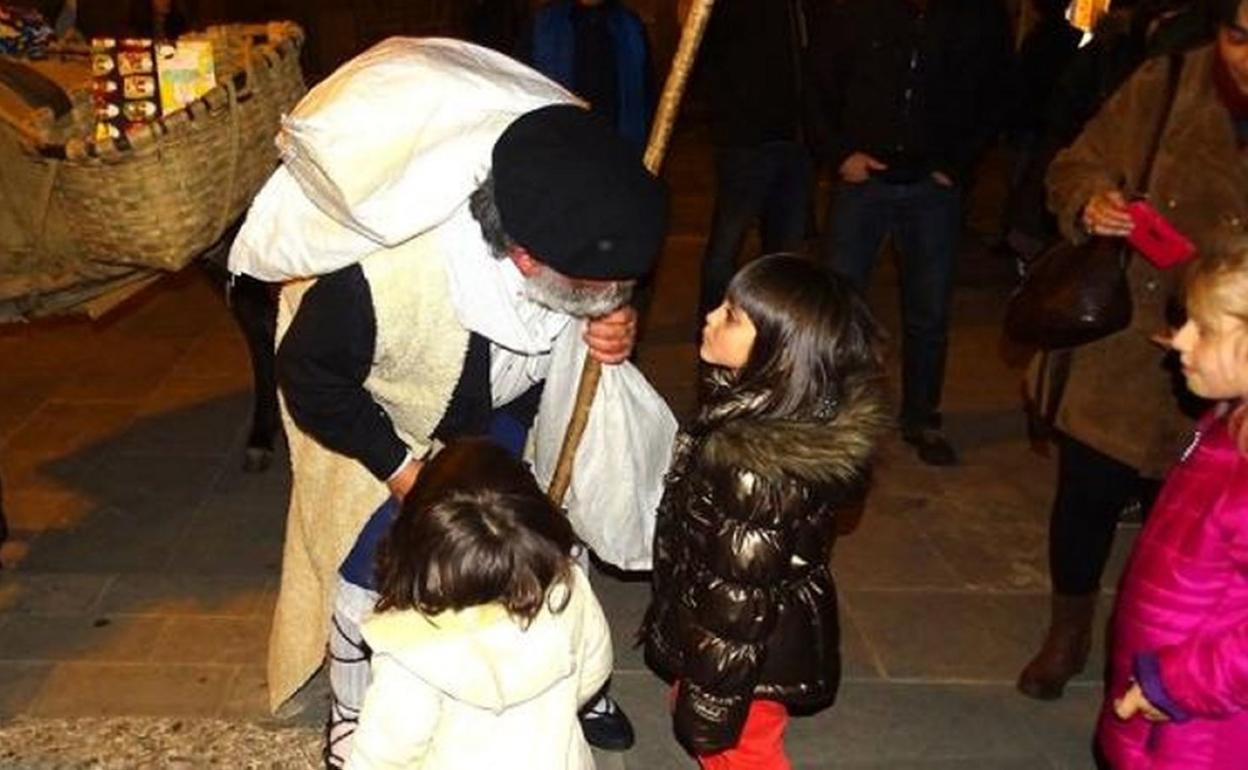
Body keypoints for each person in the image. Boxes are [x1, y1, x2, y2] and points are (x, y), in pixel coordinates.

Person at [260, 103, 666, 763]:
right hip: (396, 420)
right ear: (528, 256)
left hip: (508, 415)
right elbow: (307, 374)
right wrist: (400, 469)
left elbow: (603, 292)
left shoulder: (567, 234)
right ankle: (354, 707)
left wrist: (615, 325)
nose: (617, 291)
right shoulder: (382, 278)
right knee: (380, 565)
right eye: (599, 285)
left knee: (548, 540)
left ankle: (568, 679)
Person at [1017, 0, 1248, 700]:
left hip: (1234, 353)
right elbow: (1076, 164)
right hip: (1126, 341)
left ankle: (1179, 646)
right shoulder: (1168, 83)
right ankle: (1069, 628)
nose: (1247, 57)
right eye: (1239, 37)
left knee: (1197, 524)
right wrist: (1091, 203)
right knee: (1086, 493)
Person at [642, 254, 888, 769]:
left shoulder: (754, 469)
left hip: (749, 651)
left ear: (781, 352)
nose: (709, 317)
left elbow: (738, 598)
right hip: (745, 636)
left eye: (732, 316)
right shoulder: (774, 406)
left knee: (743, 750)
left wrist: (711, 698)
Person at [809, 0, 1013, 466]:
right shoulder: (854, 11)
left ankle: (922, 416)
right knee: (838, 306)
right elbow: (819, 83)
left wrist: (957, 163)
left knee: (929, 312)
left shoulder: (974, 16)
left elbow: (996, 93)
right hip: (863, 184)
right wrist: (839, 154)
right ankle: (830, 410)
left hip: (931, 188)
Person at [344, 439, 613, 770]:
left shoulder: (411, 651)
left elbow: (382, 758)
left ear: (412, 542)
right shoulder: (566, 587)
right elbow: (594, 670)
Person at [1097, 243, 1248, 769]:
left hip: (1207, 727)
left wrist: (1176, 686)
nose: (1178, 340)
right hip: (1171, 705)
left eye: (1203, 329)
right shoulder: (1225, 428)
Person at [696, 0, 814, 321]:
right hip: (746, 143)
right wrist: (731, 119)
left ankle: (773, 330)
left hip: (796, 141)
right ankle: (713, 328)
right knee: (727, 244)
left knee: (785, 252)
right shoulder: (732, 7)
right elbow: (706, 58)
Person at [521, 0, 654, 150]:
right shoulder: (544, 25)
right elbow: (524, 88)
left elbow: (646, 97)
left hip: (617, 145)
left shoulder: (630, 27)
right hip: (559, 145)